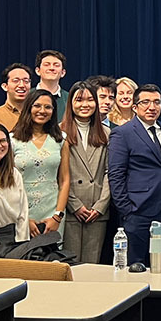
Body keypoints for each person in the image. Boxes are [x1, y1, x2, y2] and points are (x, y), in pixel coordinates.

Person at [107, 84, 161, 266]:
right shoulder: (122, 133)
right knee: (135, 265)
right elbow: (116, 174)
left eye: (156, 102)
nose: (152, 107)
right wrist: (126, 209)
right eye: (145, 102)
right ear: (135, 107)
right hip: (137, 209)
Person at [58, 81, 112, 263]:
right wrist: (75, 205)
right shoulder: (59, 132)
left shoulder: (107, 133)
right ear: (71, 103)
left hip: (97, 210)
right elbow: (58, 175)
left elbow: (110, 173)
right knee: (69, 265)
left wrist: (100, 206)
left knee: (92, 265)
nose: (85, 105)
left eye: (90, 100)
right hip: (71, 208)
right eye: (79, 100)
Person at [11, 89, 70, 238]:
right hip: (20, 213)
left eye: (48, 107)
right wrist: (23, 218)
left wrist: (57, 216)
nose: (42, 111)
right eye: (37, 106)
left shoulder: (61, 139)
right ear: (28, 107)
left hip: (53, 214)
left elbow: (65, 180)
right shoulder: (12, 140)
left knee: (53, 259)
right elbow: (7, 182)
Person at [0, 63, 32, 132]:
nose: (22, 85)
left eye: (26, 81)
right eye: (16, 81)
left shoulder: (37, 114)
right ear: (5, 86)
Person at [34, 50, 68, 122]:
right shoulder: (27, 96)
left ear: (63, 73)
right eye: (47, 64)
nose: (51, 68)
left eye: (56, 65)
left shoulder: (69, 98)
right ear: (38, 71)